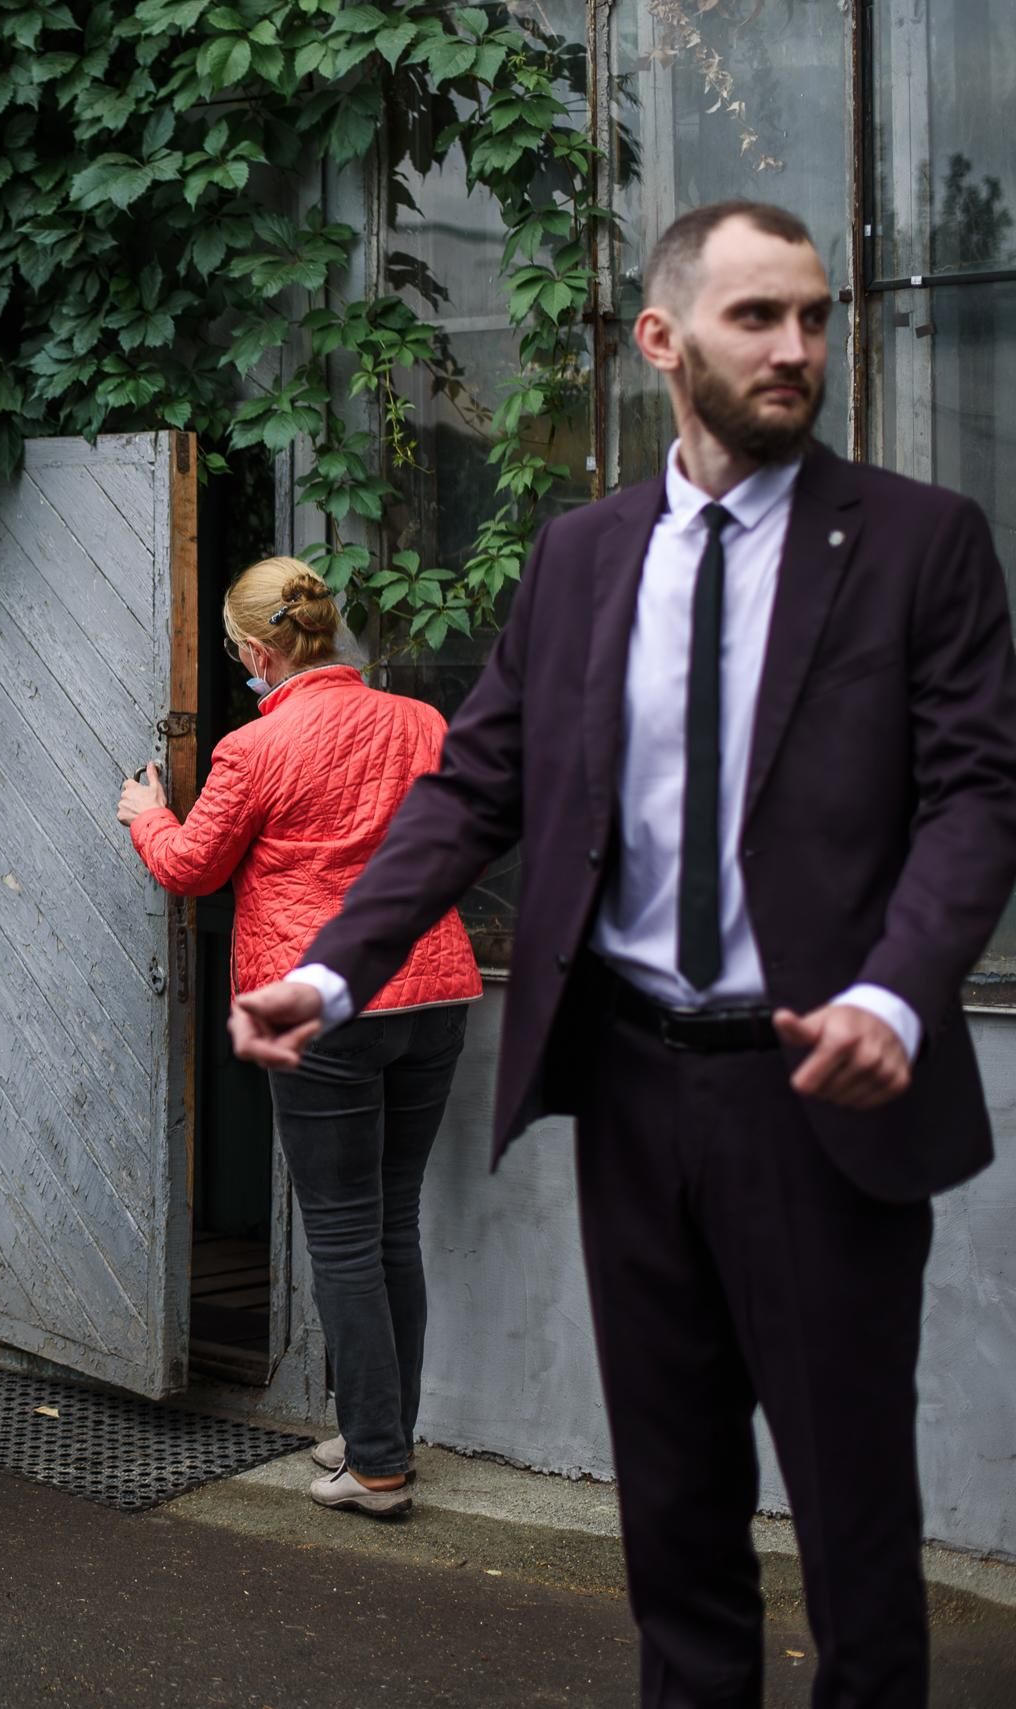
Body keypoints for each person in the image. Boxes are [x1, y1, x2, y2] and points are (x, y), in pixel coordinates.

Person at [234, 202, 1016, 1706]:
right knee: (673, 1514)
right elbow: (477, 786)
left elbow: (979, 793)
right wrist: (335, 971)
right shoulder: (586, 557)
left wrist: (895, 988)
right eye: (756, 319)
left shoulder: (920, 542)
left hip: (828, 1093)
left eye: (814, 317)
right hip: (637, 1089)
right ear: (661, 341)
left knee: (855, 1521)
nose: (797, 349)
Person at [115, 557, 479, 1518]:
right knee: (392, 1221)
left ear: (253, 650)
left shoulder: (253, 748)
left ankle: (377, 1467)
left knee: (345, 1237)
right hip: (433, 992)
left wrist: (148, 816)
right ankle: (381, 1431)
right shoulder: (422, 723)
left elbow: (195, 868)